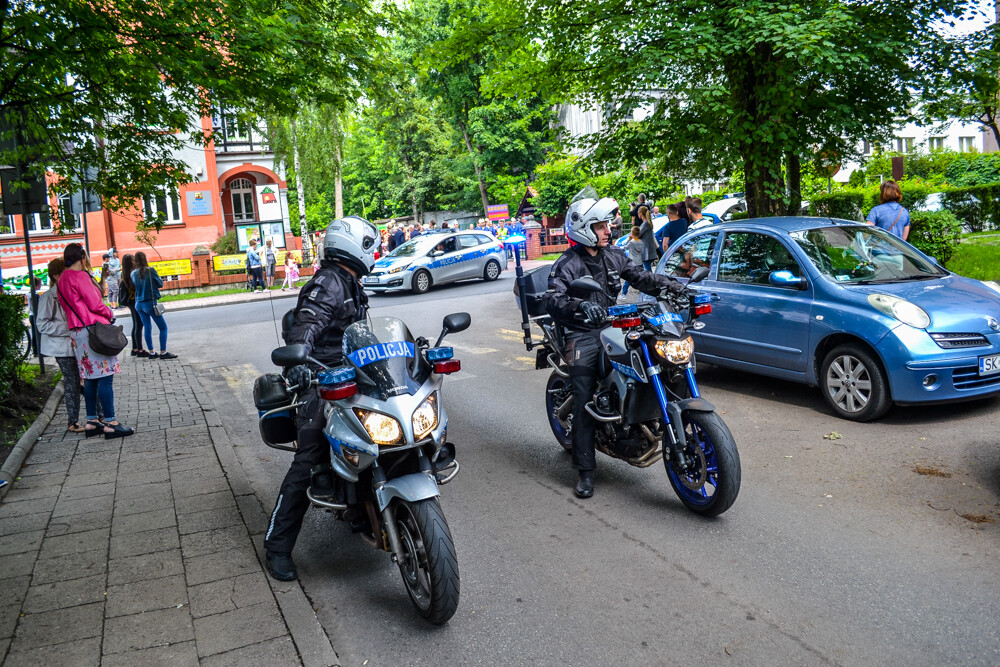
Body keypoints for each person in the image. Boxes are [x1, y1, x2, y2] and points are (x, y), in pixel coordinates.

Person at [544, 190, 684, 499]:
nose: (608, 230)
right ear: (584, 229)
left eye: (607, 225)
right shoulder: (567, 264)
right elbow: (552, 298)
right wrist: (579, 306)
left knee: (654, 355)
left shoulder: (613, 255)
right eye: (600, 226)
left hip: (612, 324)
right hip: (581, 332)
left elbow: (640, 276)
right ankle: (585, 471)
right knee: (583, 394)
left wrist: (673, 285)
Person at [264, 215, 378, 582]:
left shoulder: (350, 282)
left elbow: (358, 334)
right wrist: (298, 360)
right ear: (354, 246)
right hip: (319, 376)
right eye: (369, 246)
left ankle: (368, 501)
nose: (373, 252)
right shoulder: (329, 283)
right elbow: (308, 323)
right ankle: (277, 546)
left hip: (353, 371)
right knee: (309, 455)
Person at [57, 243, 134, 439]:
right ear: (83, 258)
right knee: (106, 376)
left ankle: (92, 421)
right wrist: (109, 312)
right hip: (92, 330)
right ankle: (111, 423)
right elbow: (95, 303)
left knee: (90, 377)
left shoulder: (62, 279)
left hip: (76, 332)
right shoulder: (80, 276)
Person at [37, 258, 85, 433]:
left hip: (79, 344)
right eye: (66, 273)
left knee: (88, 379)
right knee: (72, 382)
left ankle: (99, 416)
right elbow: (42, 324)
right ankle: (73, 421)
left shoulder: (73, 291)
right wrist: (68, 327)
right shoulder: (49, 297)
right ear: (56, 276)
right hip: (62, 347)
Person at [132, 251, 178, 360]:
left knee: (147, 327)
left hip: (138, 304)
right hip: (150, 303)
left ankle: (152, 353)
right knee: (163, 327)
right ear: (145, 258)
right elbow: (160, 284)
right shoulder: (150, 270)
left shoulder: (132, 273)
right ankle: (163, 352)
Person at [118, 254, 147, 357]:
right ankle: (139, 350)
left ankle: (135, 349)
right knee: (139, 324)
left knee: (136, 324)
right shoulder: (132, 274)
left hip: (130, 302)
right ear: (131, 262)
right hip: (134, 301)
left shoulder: (124, 274)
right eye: (133, 260)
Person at [620, 226, 644, 296]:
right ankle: (641, 292)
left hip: (633, 261)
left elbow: (625, 247)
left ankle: (624, 293)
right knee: (640, 277)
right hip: (640, 261)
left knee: (629, 278)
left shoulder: (631, 242)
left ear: (632, 234)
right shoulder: (641, 242)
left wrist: (629, 239)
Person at [637, 205, 658, 270]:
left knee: (647, 269)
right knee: (646, 268)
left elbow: (638, 235)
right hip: (647, 250)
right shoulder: (647, 223)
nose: (637, 214)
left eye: (638, 212)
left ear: (641, 213)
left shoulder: (645, 224)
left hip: (646, 251)